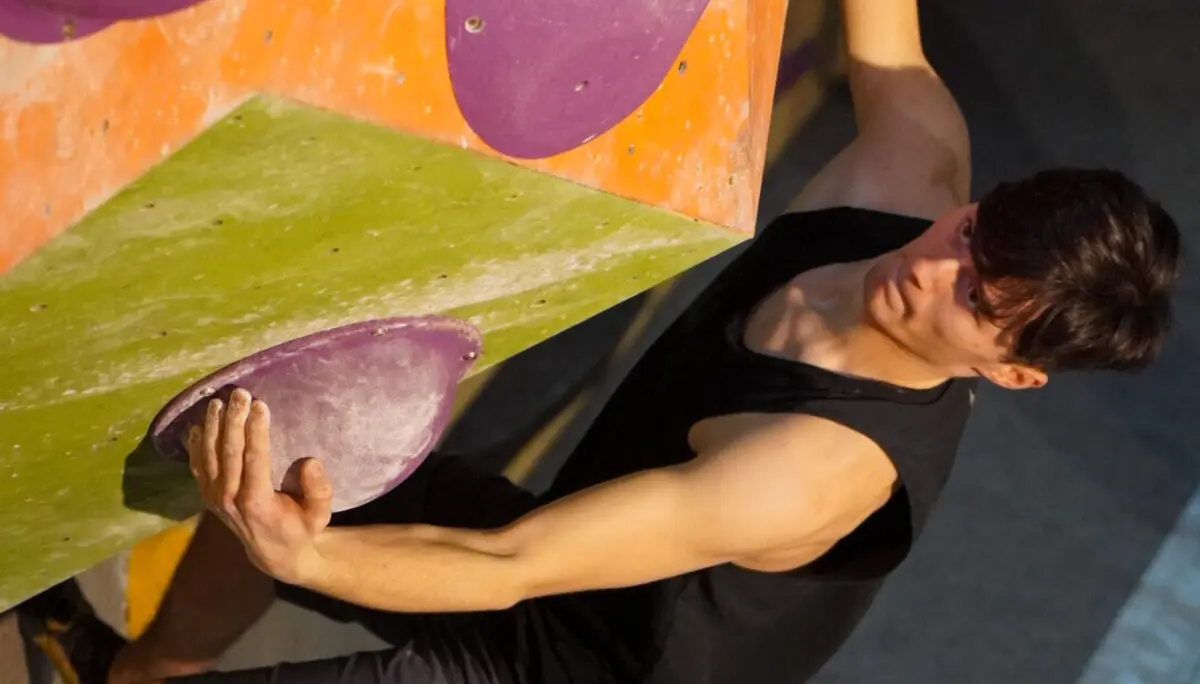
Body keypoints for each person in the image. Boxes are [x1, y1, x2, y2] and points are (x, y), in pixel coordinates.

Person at [20, 0, 1181, 682]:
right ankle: (141, 670)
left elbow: (504, 574)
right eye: (970, 235)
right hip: (552, 554)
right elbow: (898, 53)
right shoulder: (914, 169)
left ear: (1010, 370)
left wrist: (300, 556)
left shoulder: (811, 475)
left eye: (975, 301)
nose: (929, 267)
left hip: (564, 662)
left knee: (287, 521)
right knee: (299, 450)